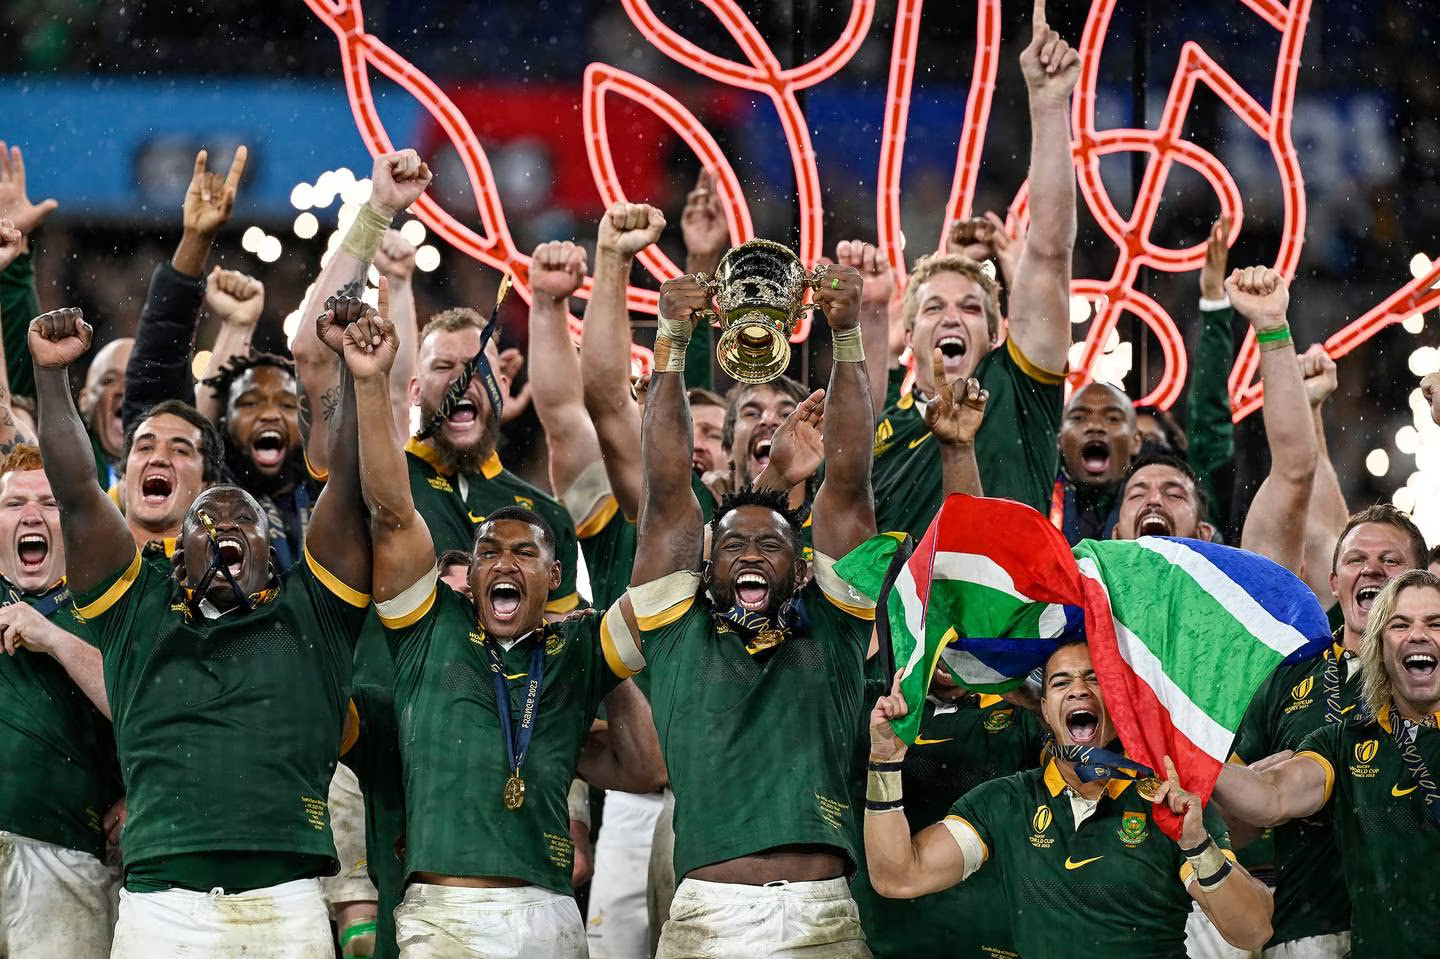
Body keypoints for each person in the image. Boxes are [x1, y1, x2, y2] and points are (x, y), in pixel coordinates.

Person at [31, 302, 373, 957]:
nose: (220, 531)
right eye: (204, 524)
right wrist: (53, 381)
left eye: (240, 521)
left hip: (286, 902)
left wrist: (354, 378)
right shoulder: (136, 608)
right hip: (161, 907)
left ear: (274, 550)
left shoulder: (315, 612)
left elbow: (351, 488)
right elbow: (75, 492)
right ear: (176, 549)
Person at [341, 288, 663, 957]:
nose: (501, 563)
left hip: (538, 889)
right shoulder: (421, 597)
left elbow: (641, 761)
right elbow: (391, 513)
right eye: (486, 551)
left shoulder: (544, 524)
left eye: (524, 552)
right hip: (384, 753)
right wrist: (369, 387)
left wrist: (606, 664)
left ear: (552, 578)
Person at [618, 253, 877, 956]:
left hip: (825, 915)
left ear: (803, 574)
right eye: (733, 547)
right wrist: (669, 343)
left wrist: (847, 334)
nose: (755, 555)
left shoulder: (837, 623)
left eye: (772, 547)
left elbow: (849, 482)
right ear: (704, 568)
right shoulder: (675, 629)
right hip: (708, 918)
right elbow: (668, 489)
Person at [866, 640, 1275, 957]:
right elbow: (899, 876)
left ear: (1118, 701)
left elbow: (1253, 930)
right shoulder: (1006, 803)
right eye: (1061, 682)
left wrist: (1198, 845)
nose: (1078, 690)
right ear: (1045, 709)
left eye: (1094, 678)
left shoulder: (1168, 805)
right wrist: (884, 761)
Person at [870, 0, 1078, 534]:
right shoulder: (875, 428)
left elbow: (1050, 255)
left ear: (995, 334)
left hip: (1011, 618)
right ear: (908, 333)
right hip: (902, 620)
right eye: (934, 307)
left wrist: (1049, 105)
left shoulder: (1017, 390)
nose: (952, 318)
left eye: (969, 307)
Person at [1226, 503, 1424, 958]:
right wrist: (1252, 791)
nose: (1372, 569)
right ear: (1335, 583)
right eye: (1356, 560)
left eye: (1390, 560)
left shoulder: (1431, 677)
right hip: (1306, 931)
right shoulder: (1287, 676)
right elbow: (1233, 824)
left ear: (1420, 585)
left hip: (1416, 929)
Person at [1113, 268, 1316, 576]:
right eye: (1137, 493)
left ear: (1204, 532)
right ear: (1113, 536)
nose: (1154, 500)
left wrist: (1271, 325)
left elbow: (1294, 471)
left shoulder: (1237, 599)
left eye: (1174, 493)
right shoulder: (1082, 611)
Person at [0, 444, 120, 959]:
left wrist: (51, 637)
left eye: (49, 504)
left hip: (65, 851)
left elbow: (145, 711)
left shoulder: (110, 608)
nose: (31, 515)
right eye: (13, 504)